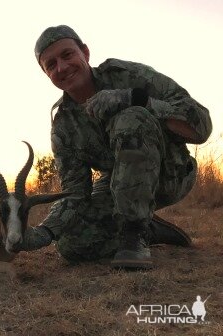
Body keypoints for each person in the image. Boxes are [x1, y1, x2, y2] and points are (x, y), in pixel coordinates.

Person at [16, 25, 212, 269]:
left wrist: (136, 99)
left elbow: (201, 126)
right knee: (71, 245)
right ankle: (150, 229)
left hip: (171, 174)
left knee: (131, 117)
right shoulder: (63, 126)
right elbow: (76, 194)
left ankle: (134, 234)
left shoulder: (129, 75)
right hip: (116, 185)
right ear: (47, 74)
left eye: (67, 55)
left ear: (85, 53)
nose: (62, 67)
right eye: (51, 65)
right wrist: (45, 231)